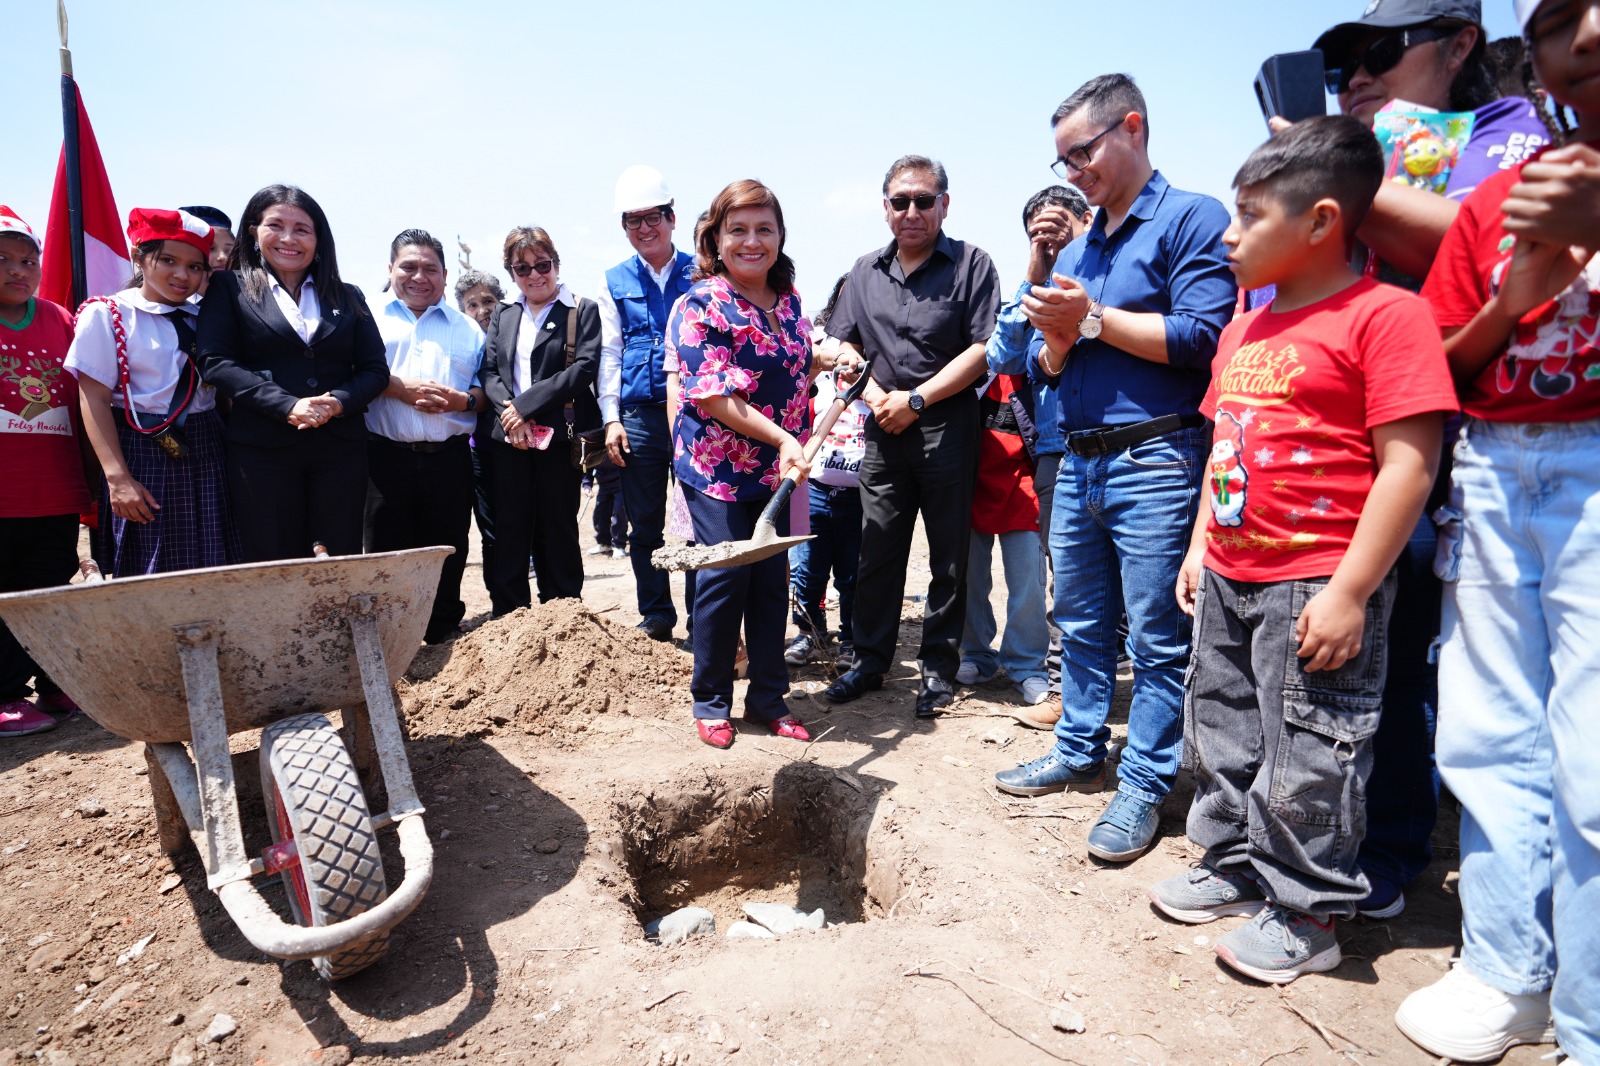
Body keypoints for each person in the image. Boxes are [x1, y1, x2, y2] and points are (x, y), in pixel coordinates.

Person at [1148, 116, 1456, 985]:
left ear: (1321, 222)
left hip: (1315, 576)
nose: (1227, 234)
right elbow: (1224, 447)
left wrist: (1353, 591)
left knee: (1316, 747)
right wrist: (1201, 545)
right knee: (1225, 728)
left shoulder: (1386, 316)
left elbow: (1409, 463)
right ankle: (1235, 865)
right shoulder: (1245, 329)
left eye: (1249, 216)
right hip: (1231, 573)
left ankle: (1308, 908)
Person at [1302, 0, 1557, 919]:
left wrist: (1329, 178)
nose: (1357, 75)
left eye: (1378, 51)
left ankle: (1412, 854)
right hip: (1346, 451)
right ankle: (1359, 843)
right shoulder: (1360, 149)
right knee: (1366, 651)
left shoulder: (1517, 134)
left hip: (1483, 453)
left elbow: (1488, 251)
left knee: (1444, 676)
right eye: (1339, 63)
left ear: (1458, 46)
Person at [1394, 1, 1600, 1059]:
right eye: (1562, 14)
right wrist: (1515, 295)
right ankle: (1506, 968)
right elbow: (1449, 366)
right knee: (1487, 733)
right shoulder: (1493, 204)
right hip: (1492, 467)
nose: (1589, 30)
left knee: (1593, 759)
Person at [993, 75, 1237, 865]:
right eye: (1063, 161)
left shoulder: (1192, 217)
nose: (1074, 173)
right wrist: (1059, 341)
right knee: (1085, 624)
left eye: (1082, 153)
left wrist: (1090, 321)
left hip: (1158, 455)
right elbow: (1048, 360)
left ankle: (1144, 782)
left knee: (1159, 636)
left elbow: (1203, 336)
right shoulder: (1087, 237)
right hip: (1082, 455)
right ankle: (1078, 745)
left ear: (1132, 127)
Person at [820, 155, 1001, 719]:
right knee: (877, 550)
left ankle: (938, 670)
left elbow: (981, 350)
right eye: (901, 201)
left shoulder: (973, 265)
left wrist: (917, 399)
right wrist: (875, 397)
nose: (913, 211)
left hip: (946, 425)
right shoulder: (863, 272)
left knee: (948, 555)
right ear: (885, 208)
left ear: (944, 204)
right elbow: (839, 344)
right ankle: (870, 661)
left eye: (925, 200)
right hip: (880, 426)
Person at [669, 179, 818, 749]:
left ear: (780, 235)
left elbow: (789, 371)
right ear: (716, 237)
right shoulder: (700, 304)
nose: (752, 242)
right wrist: (783, 438)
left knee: (770, 583)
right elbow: (711, 396)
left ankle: (768, 699)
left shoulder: (790, 301)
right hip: (717, 469)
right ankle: (710, 699)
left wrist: (826, 360)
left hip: (782, 467)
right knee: (725, 579)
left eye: (764, 229)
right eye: (738, 230)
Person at [197, 185, 389, 561]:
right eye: (276, 225)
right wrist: (287, 405)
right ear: (253, 232)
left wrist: (337, 402)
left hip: (340, 452)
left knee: (338, 556)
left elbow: (374, 369)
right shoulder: (227, 287)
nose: (289, 238)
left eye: (302, 229)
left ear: (319, 239)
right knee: (272, 558)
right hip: (262, 451)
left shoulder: (348, 295)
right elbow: (215, 361)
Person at [975, 185, 1096, 726]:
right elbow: (1001, 355)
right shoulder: (1035, 292)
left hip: (1136, 442)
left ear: (1090, 219)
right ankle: (1056, 685)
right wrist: (1036, 269)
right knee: (1062, 577)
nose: (1050, 240)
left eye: (1059, 229)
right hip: (1057, 450)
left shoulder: (1120, 279)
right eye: (1036, 234)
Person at [67, 208, 242, 577]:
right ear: (139, 258)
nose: (182, 275)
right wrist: (117, 478)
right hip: (141, 449)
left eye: (195, 267)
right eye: (168, 260)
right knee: (152, 564)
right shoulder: (108, 313)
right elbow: (92, 398)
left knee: (218, 560)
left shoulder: (208, 314)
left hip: (209, 444)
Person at [365, 229, 486, 644]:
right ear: (390, 269)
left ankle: (442, 632)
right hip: (383, 458)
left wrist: (462, 401)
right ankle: (387, 641)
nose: (420, 277)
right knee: (385, 553)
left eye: (430, 269)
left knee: (447, 549)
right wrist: (395, 386)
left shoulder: (468, 329)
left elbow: (486, 390)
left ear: (446, 275)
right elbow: (351, 375)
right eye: (409, 267)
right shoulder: (366, 318)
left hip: (448, 459)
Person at [0, 208, 91, 737]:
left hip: (54, 488)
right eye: (3, 260)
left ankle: (53, 681)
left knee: (48, 589)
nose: (18, 270)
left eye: (28, 260)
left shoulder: (61, 319)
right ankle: (5, 694)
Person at [598, 165, 698, 642]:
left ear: (672, 217)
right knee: (645, 526)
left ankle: (705, 617)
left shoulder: (703, 271)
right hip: (639, 418)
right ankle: (657, 613)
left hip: (700, 416)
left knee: (702, 521)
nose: (644, 228)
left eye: (652, 217)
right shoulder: (613, 281)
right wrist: (612, 419)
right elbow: (610, 353)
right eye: (632, 220)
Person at [479, 226, 599, 613]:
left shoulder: (581, 310)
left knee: (557, 525)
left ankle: (563, 610)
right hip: (510, 437)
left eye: (541, 264)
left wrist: (525, 406)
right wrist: (511, 415)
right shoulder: (504, 313)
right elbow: (492, 372)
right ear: (511, 272)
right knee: (510, 525)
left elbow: (583, 368)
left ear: (556, 264)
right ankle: (510, 612)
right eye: (522, 268)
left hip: (557, 437)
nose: (534, 275)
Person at [785, 274, 869, 670]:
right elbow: (795, 387)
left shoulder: (885, 354)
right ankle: (809, 632)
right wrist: (822, 361)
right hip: (815, 482)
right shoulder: (816, 345)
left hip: (862, 489)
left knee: (854, 572)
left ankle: (852, 638)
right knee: (808, 568)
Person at [955, 367, 1051, 707]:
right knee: (969, 578)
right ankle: (976, 655)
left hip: (1025, 485)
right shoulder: (969, 368)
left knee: (1028, 581)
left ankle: (1027, 667)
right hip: (971, 484)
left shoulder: (1040, 364)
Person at [454, 268, 505, 594]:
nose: (482, 310)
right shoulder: (460, 343)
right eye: (471, 305)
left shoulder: (515, 335)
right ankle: (500, 601)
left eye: (488, 301)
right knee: (490, 529)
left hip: (515, 444)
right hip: (476, 448)